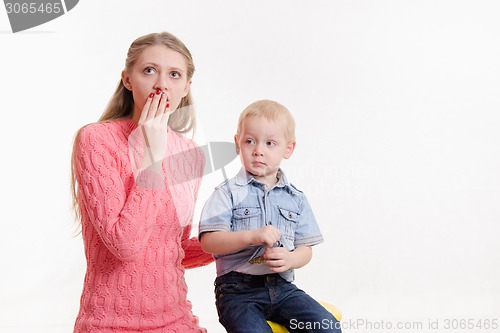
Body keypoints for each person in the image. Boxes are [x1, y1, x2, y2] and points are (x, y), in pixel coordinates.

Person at [71, 32, 213, 332]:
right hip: (108, 323)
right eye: (149, 70)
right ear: (127, 79)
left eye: (174, 75)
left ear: (186, 88)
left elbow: (173, 248)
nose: (162, 84)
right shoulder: (96, 140)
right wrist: (153, 156)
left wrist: (236, 243)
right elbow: (126, 245)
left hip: (176, 320)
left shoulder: (190, 154)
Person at [198, 100, 341, 332]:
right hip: (237, 292)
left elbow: (306, 249)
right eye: (249, 141)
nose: (258, 150)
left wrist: (292, 259)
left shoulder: (296, 198)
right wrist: (250, 236)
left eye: (270, 143)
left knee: (328, 327)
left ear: (288, 148)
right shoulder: (227, 194)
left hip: (283, 289)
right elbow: (208, 241)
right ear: (237, 143)